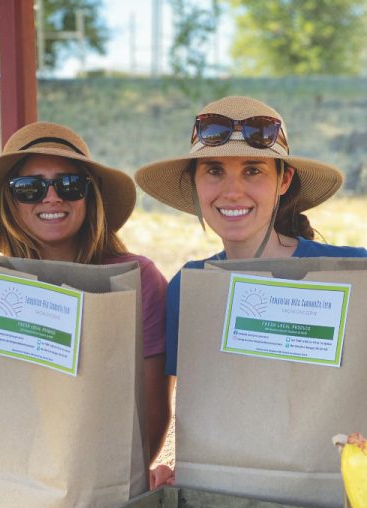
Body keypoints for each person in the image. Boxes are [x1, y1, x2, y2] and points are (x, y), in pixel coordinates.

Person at [0, 121, 173, 464]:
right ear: (11, 200)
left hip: (105, 482)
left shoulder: (139, 280)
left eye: (69, 184)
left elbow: (153, 412)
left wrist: (120, 487)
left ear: (90, 195)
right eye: (29, 187)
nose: (52, 196)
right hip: (7, 473)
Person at [135, 95, 367, 377]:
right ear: (194, 183)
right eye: (214, 170)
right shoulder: (187, 287)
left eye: (253, 170)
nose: (233, 191)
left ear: (284, 180)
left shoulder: (353, 272)